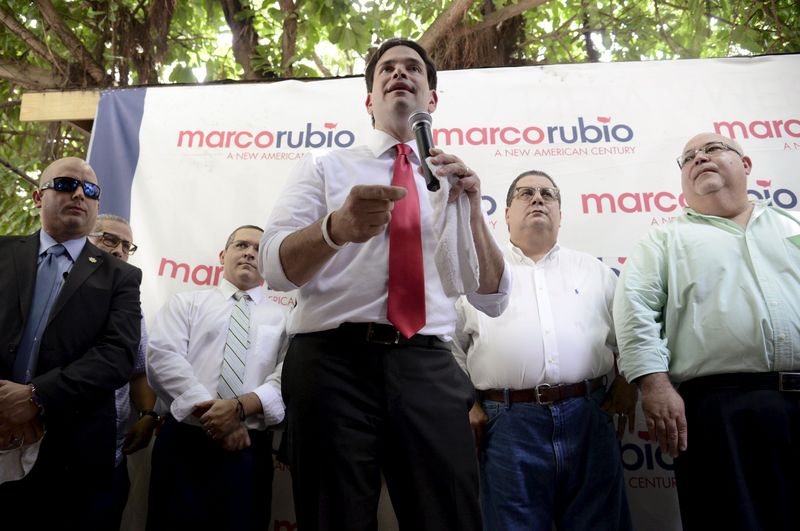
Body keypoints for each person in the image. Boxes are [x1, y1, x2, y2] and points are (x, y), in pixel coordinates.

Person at [260, 38, 510, 530]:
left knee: (450, 517)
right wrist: (336, 229)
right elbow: (274, 267)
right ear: (369, 100)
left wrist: (474, 207)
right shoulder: (324, 166)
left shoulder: (452, 179)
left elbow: (493, 297)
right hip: (332, 367)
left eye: (413, 68)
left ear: (431, 99)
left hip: (427, 365)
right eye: (387, 69)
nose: (400, 74)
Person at [613, 132, 800, 531]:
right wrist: (654, 385)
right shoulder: (664, 239)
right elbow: (635, 310)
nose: (699, 158)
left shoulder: (792, 225)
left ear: (745, 165)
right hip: (718, 409)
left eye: (712, 149)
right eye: (688, 158)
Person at [452, 170, 635, 531]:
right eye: (525, 193)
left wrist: (630, 381)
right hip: (506, 424)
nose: (538, 199)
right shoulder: (475, 275)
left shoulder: (596, 272)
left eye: (548, 194)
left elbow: (631, 335)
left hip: (589, 417)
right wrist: (466, 402)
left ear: (561, 214)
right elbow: (448, 346)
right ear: (505, 214)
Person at [0, 157, 142, 529]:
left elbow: (117, 357)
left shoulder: (122, 277)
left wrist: (35, 398)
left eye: (90, 190)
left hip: (74, 456)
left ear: (96, 203)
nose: (79, 193)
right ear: (37, 196)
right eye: (64, 184)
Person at [146, 225, 288, 530]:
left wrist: (239, 411)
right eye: (242, 245)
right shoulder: (185, 303)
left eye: (258, 250)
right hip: (184, 442)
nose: (250, 252)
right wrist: (219, 419)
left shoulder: (285, 320)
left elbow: (285, 377)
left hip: (248, 448)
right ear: (223, 255)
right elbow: (163, 358)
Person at [88, 213, 158, 526]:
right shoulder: (52, 290)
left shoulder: (131, 308)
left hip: (108, 458)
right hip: (43, 452)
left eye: (126, 245)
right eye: (109, 239)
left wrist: (147, 416)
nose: (118, 250)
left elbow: (139, 370)